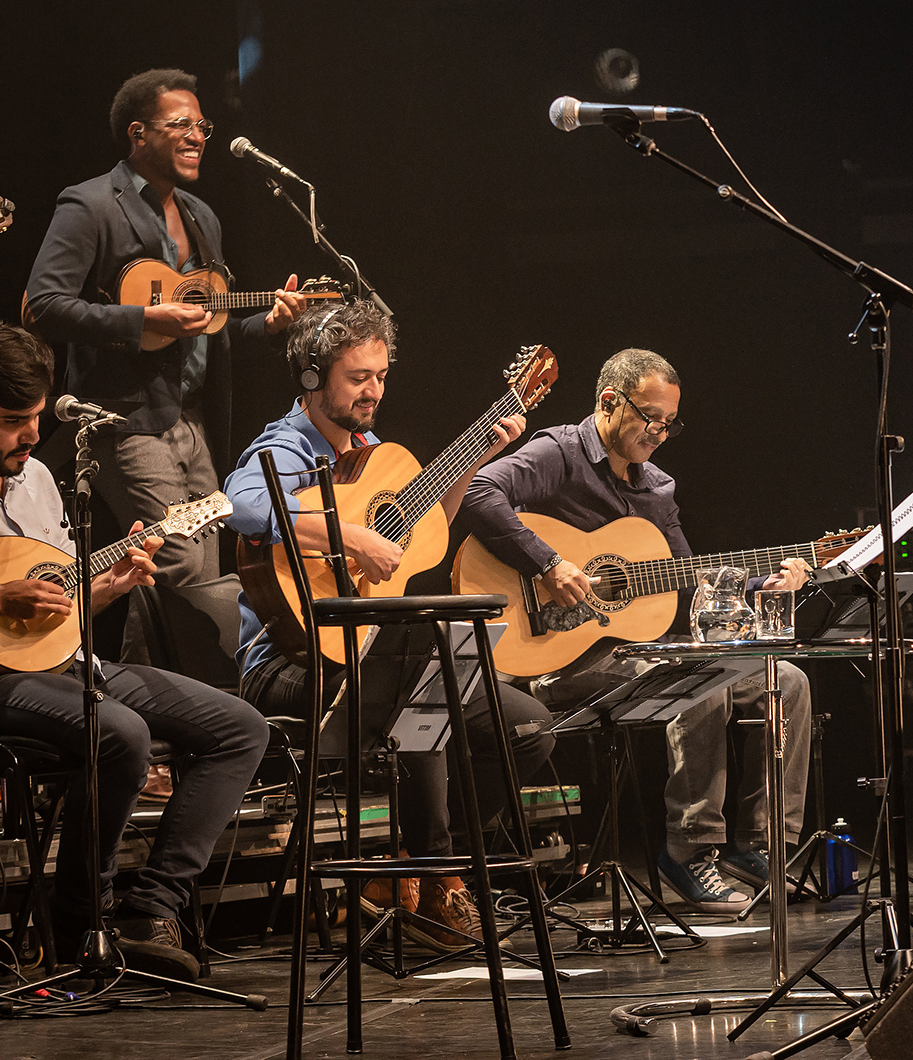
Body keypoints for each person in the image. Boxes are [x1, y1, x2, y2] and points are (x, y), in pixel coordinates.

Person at [222, 303, 541, 950]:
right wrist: (350, 536)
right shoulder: (285, 445)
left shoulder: (370, 456)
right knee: (423, 662)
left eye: (382, 375)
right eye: (357, 376)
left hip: (373, 660)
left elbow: (425, 532)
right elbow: (241, 504)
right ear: (312, 379)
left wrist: (475, 458)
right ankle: (439, 872)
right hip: (289, 665)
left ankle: (402, 879)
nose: (373, 390)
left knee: (527, 729)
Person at [457, 348, 812, 914]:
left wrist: (761, 584)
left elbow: (690, 579)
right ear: (608, 403)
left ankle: (762, 845)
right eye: (652, 419)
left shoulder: (657, 488)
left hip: (625, 650)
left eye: (671, 424)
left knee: (785, 678)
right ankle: (688, 849)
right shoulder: (560, 453)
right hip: (555, 652)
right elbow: (477, 492)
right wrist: (549, 563)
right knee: (702, 680)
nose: (661, 434)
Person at [0, 324, 270, 980]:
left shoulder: (36, 480)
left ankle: (148, 909)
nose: (31, 436)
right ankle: (76, 926)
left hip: (65, 667)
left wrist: (107, 587)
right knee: (120, 731)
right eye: (12, 421)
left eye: (35, 418)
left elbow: (54, 609)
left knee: (239, 726)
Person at [24, 68, 308, 605]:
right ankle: (158, 685)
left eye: (202, 125)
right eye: (182, 124)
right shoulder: (90, 205)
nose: (198, 136)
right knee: (174, 558)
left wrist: (269, 324)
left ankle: (172, 685)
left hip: (195, 416)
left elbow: (211, 323)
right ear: (138, 134)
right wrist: (143, 322)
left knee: (203, 563)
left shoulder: (203, 217)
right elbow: (44, 305)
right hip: (125, 417)